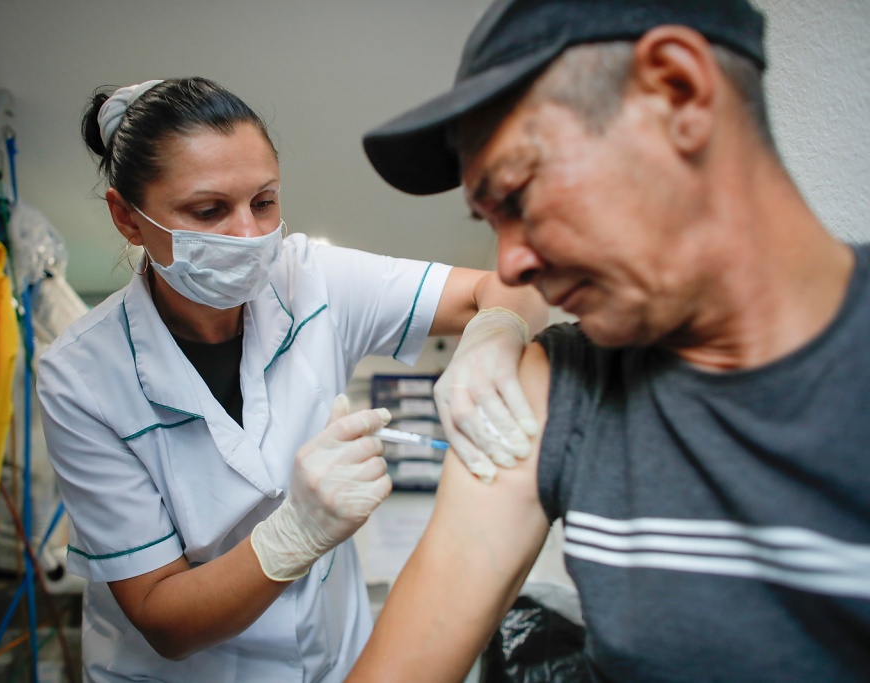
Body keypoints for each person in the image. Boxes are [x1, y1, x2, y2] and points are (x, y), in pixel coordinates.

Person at [348, 0, 870, 681]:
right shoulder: (558, 391)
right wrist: (498, 328)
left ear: (676, 91)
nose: (508, 266)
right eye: (488, 221)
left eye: (518, 194)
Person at [36, 76, 548, 682]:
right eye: (208, 211)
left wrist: (494, 337)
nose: (251, 236)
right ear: (127, 218)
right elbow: (163, 619)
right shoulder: (81, 376)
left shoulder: (312, 278)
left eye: (265, 201)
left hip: (333, 659)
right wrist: (294, 535)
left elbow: (515, 283)